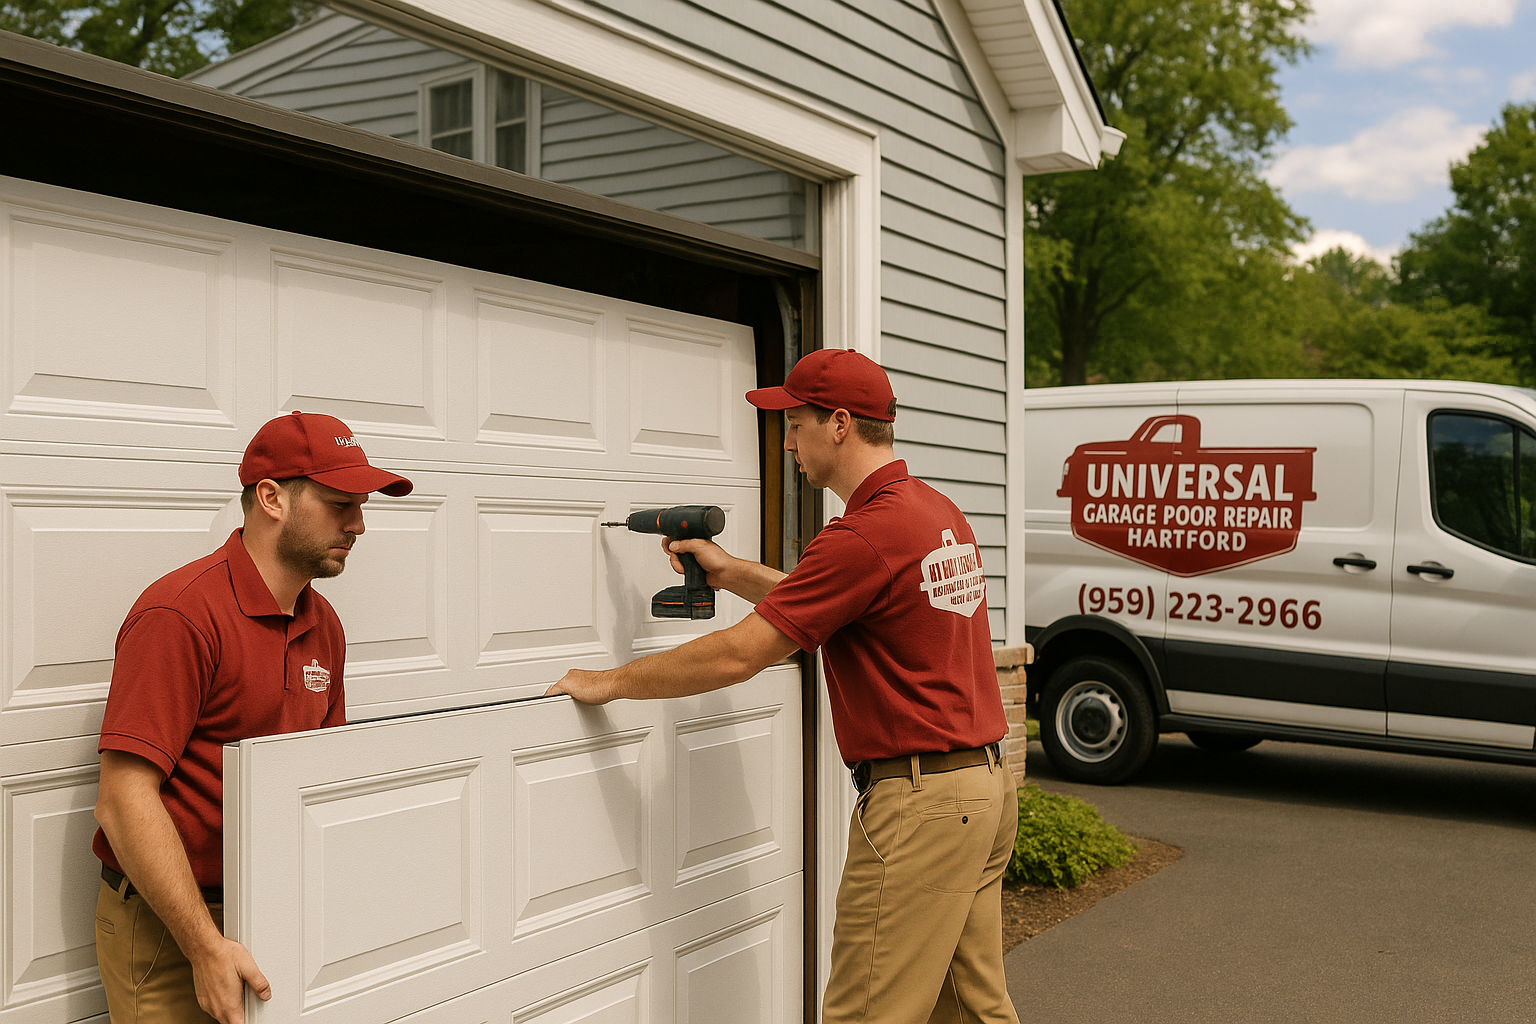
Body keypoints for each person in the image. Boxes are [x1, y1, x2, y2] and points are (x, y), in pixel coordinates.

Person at [549, 348, 1018, 1023]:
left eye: (795, 424)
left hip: (923, 807)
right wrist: (732, 571)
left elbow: (741, 655)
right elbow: (841, 604)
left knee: (865, 1014)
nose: (787, 441)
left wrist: (609, 681)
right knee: (972, 1010)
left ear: (839, 423)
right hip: (981, 789)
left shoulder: (863, 533)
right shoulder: (931, 513)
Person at [91, 411, 413, 1024]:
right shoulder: (181, 615)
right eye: (339, 502)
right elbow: (124, 800)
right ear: (271, 498)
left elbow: (321, 783)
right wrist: (203, 945)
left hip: (272, 902)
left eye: (362, 505)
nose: (360, 524)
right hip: (170, 919)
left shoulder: (325, 625)